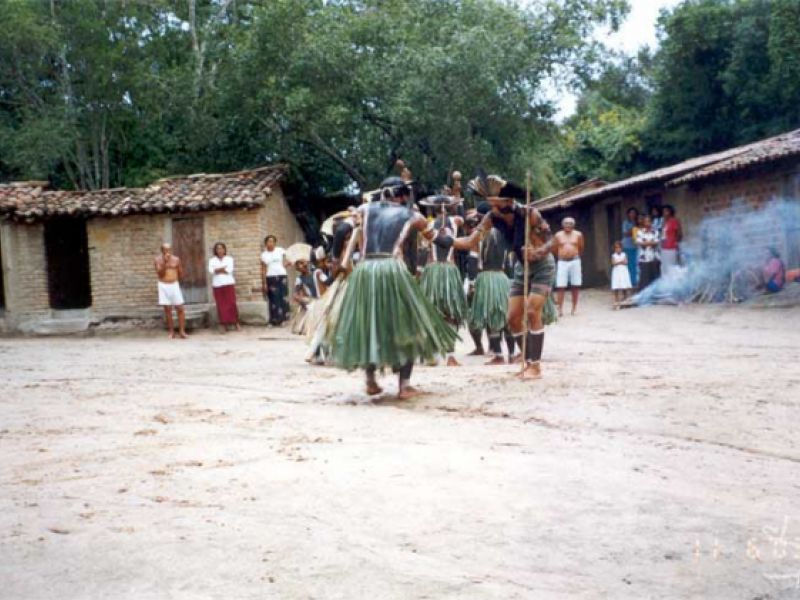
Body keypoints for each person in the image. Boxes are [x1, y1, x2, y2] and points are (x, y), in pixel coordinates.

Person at [332, 176, 458, 399]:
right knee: (409, 322)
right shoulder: (413, 215)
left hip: (365, 271)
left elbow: (341, 230)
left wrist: (335, 259)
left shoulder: (364, 209)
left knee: (369, 323)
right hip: (392, 269)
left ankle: (371, 380)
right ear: (401, 195)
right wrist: (458, 238)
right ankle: (404, 385)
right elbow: (441, 241)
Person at [466, 174, 555, 379]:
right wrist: (440, 239)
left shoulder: (530, 214)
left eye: (496, 203)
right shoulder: (491, 218)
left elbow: (552, 240)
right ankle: (527, 362)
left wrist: (538, 252)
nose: (493, 207)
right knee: (513, 318)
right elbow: (470, 241)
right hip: (521, 268)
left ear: (508, 201)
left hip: (542, 266)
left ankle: (536, 366)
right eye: (490, 204)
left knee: (532, 311)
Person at [420, 199, 468, 367]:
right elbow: (462, 217)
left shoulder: (427, 224)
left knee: (435, 311)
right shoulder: (455, 221)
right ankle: (448, 355)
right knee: (448, 313)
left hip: (433, 270)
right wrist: (456, 201)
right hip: (447, 269)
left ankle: (435, 354)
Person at [552, 217, 584, 316]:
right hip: (562, 262)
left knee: (576, 285)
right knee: (560, 285)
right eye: (566, 223)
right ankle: (560, 309)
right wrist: (562, 256)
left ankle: (574, 308)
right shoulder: (558, 235)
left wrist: (573, 255)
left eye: (570, 223)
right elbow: (554, 249)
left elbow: (581, 248)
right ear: (562, 225)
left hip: (575, 261)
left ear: (574, 225)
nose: (568, 225)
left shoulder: (578, 234)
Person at [154, 243, 187, 339]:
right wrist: (165, 262)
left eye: (169, 249)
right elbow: (160, 274)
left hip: (174, 284)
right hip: (163, 285)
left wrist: (175, 278)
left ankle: (182, 331)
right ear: (162, 250)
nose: (167, 251)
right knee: (167, 309)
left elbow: (180, 272)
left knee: (180, 308)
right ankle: (171, 332)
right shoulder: (157, 260)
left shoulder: (176, 259)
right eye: (165, 249)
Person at [208, 242, 241, 333]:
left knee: (232, 303)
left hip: (228, 283)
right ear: (215, 250)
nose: (219, 250)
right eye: (217, 248)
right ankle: (223, 324)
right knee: (221, 305)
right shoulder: (212, 260)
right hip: (217, 285)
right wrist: (222, 269)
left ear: (224, 249)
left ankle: (236, 322)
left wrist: (217, 269)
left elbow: (229, 270)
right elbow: (211, 271)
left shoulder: (229, 259)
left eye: (221, 248)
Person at [260, 235, 291, 326]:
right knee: (273, 298)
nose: (271, 243)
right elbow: (263, 269)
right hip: (270, 277)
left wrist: (286, 264)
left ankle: (283, 320)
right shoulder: (264, 255)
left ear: (275, 243)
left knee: (283, 298)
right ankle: (273, 320)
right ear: (266, 243)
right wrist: (264, 283)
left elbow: (289, 257)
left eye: (273, 241)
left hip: (282, 276)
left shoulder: (280, 250)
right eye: (269, 241)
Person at [636, 215, 661, 289]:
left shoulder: (656, 232)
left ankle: (655, 293)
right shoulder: (640, 232)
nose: (647, 223)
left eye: (649, 221)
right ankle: (644, 293)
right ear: (643, 223)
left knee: (655, 277)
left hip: (654, 257)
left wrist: (646, 243)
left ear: (651, 222)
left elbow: (656, 243)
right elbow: (640, 243)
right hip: (644, 258)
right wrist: (651, 242)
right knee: (644, 278)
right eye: (646, 221)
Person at [661, 205, 683, 277]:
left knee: (672, 267)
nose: (665, 213)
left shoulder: (674, 221)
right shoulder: (664, 222)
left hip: (672, 247)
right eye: (663, 211)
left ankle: (673, 282)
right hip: (664, 248)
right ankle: (666, 282)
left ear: (670, 212)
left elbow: (679, 234)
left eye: (666, 211)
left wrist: (675, 242)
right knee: (665, 268)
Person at [610, 241, 632, 308]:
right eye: (616, 248)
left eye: (619, 248)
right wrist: (621, 262)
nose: (618, 249)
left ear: (621, 248)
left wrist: (618, 262)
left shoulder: (624, 254)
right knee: (616, 285)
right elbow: (613, 263)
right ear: (614, 249)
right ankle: (616, 300)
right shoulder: (613, 255)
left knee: (624, 284)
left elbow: (626, 262)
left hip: (623, 271)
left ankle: (625, 299)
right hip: (617, 271)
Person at [621, 207, 639, 287]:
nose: (633, 214)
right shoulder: (626, 223)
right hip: (627, 245)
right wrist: (633, 229)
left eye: (634, 213)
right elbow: (625, 234)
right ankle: (630, 282)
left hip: (636, 245)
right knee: (629, 265)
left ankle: (635, 281)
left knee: (635, 264)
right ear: (628, 214)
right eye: (631, 213)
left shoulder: (637, 222)